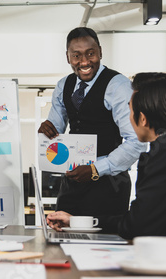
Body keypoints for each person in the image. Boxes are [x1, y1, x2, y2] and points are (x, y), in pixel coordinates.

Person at [47, 72, 166, 275]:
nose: (128, 117)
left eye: (129, 109)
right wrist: (77, 221)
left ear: (142, 117)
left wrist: (81, 221)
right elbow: (143, 219)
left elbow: (137, 226)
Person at [38, 27, 146, 216]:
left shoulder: (118, 85)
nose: (85, 61)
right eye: (76, 55)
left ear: (100, 52)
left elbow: (136, 142)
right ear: (68, 57)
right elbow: (56, 131)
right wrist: (47, 131)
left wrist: (95, 169)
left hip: (109, 184)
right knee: (61, 237)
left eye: (91, 53)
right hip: (71, 183)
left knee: (104, 242)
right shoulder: (64, 85)